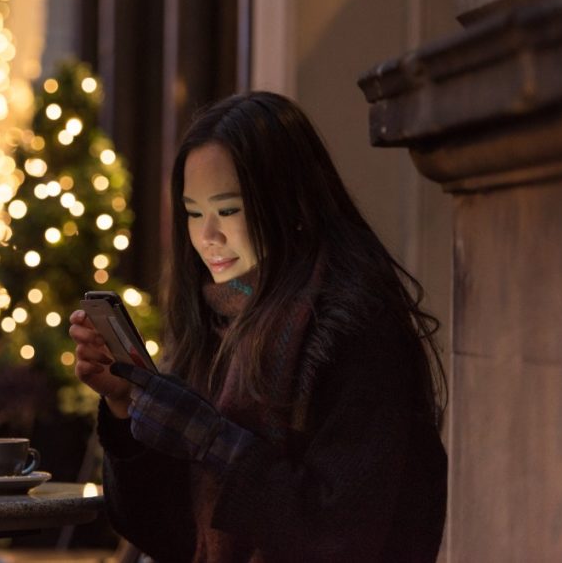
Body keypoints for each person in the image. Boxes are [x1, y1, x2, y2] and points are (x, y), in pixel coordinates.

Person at [68, 92, 447, 562]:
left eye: (228, 210)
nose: (208, 236)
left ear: (290, 203)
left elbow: (339, 533)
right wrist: (124, 406)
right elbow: (162, 534)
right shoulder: (213, 322)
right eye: (193, 212)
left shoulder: (355, 330)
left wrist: (207, 437)